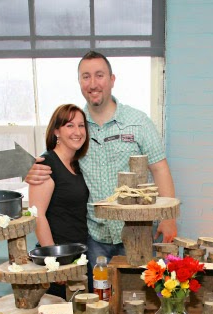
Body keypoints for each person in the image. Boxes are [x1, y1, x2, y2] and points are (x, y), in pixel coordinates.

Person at [26, 50, 178, 268]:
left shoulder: (138, 122)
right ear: (79, 82)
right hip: (94, 237)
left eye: (99, 75)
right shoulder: (77, 126)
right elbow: (55, 161)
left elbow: (160, 168)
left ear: (112, 80)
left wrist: (168, 217)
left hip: (138, 233)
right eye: (86, 77)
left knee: (141, 288)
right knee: (98, 289)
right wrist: (32, 170)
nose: (93, 83)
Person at [29, 103, 89, 249]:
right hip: (58, 253)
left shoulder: (78, 164)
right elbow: (37, 216)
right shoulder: (45, 165)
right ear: (56, 131)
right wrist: (53, 254)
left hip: (80, 251)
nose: (78, 132)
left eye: (81, 126)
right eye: (70, 126)